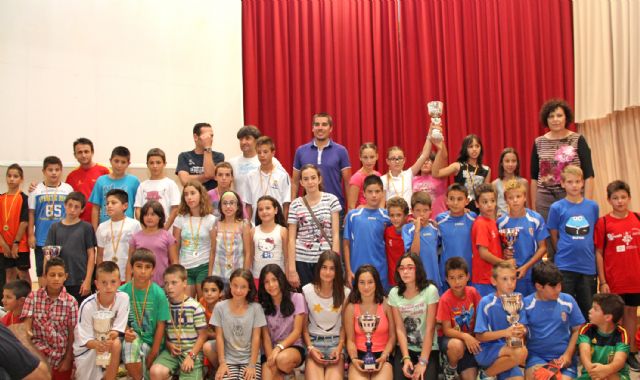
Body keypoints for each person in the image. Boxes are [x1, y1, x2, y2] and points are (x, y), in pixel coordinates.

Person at [594, 180, 640, 371]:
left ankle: (629, 352)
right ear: (609, 200)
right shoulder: (603, 222)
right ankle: (614, 354)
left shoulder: (637, 218)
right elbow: (599, 253)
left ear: (629, 198)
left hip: (635, 278)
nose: (620, 201)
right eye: (615, 198)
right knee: (614, 317)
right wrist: (603, 281)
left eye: (623, 197)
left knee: (631, 314)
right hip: (614, 281)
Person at [547, 165, 599, 320]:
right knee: (565, 311)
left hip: (587, 267)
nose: (574, 185)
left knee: (588, 310)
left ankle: (586, 343)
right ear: (562, 184)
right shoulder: (556, 207)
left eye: (577, 181)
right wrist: (564, 251)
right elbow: (554, 236)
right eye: (570, 182)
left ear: (583, 183)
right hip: (565, 266)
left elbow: (593, 234)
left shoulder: (592, 206)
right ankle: (568, 344)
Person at [530, 99, 594, 221]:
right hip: (544, 200)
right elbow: (534, 177)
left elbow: (589, 175)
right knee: (548, 238)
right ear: (546, 119)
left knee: (572, 234)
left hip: (572, 196)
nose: (555, 119)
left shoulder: (578, 139)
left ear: (566, 118)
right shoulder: (538, 142)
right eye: (551, 116)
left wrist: (587, 204)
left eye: (559, 115)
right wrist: (534, 206)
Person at [523, 261, 585, 380]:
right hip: (537, 357)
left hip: (563, 358)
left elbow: (578, 330)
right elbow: (522, 334)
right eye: (553, 286)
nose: (558, 289)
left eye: (559, 285)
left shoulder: (568, 300)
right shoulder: (525, 304)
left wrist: (568, 355)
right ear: (538, 286)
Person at [21, 257, 78, 380]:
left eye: (60, 275)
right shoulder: (33, 297)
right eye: (52, 275)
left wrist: (68, 359)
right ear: (45, 276)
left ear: (65, 276)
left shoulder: (71, 302)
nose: (56, 278)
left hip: (60, 358)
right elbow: (27, 325)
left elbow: (73, 334)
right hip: (37, 357)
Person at [150, 264, 208, 380]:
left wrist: (191, 356)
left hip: (191, 352)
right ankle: (174, 372)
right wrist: (168, 344)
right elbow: (162, 331)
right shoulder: (164, 305)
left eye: (174, 283)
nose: (169, 287)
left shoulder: (195, 307)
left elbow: (203, 335)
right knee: (155, 372)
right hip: (171, 352)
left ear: (184, 283)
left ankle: (199, 370)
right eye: (166, 283)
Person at [119, 249, 171, 380]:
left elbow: (161, 326)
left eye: (147, 267)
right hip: (129, 339)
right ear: (131, 268)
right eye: (138, 266)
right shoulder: (122, 292)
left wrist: (153, 353)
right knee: (130, 343)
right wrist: (125, 331)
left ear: (153, 270)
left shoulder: (159, 294)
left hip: (151, 343)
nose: (143, 271)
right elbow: (117, 319)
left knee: (138, 355)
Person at [287, 164, 341, 288]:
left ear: (319, 179)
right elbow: (291, 239)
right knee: (305, 299)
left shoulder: (331, 200)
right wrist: (291, 269)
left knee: (326, 296)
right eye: (305, 179)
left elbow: (336, 234)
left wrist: (335, 261)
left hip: (325, 260)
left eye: (313, 178)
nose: (310, 182)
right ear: (301, 182)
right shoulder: (295, 205)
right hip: (302, 260)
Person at [73, 261, 129, 380]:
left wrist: (106, 341)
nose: (108, 287)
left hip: (108, 343)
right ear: (96, 284)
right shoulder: (87, 305)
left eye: (113, 282)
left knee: (116, 343)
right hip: (87, 350)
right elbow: (85, 339)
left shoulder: (123, 298)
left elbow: (117, 330)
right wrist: (98, 344)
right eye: (104, 282)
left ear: (119, 282)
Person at [474, 261, 528, 380]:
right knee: (520, 352)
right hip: (487, 350)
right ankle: (485, 375)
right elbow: (479, 336)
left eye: (513, 279)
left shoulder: (519, 298)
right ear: (494, 281)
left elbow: (523, 326)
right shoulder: (486, 303)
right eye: (504, 279)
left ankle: (496, 372)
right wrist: (506, 332)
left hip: (509, 352)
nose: (510, 283)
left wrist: (521, 330)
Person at [389, 253, 440, 380]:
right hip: (406, 348)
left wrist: (422, 362)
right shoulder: (394, 293)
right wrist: (406, 358)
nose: (405, 271)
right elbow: (399, 328)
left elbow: (430, 328)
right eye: (402, 268)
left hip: (428, 348)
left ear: (418, 269)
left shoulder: (430, 290)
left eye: (410, 267)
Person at [302, 250, 350, 380]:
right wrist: (310, 348)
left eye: (332, 269)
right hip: (314, 342)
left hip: (336, 344)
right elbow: (304, 328)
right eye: (324, 267)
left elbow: (345, 326)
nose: (327, 272)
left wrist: (340, 348)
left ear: (337, 271)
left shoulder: (346, 293)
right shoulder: (306, 291)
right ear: (318, 269)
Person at [212, 269, 266, 380]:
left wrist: (252, 365)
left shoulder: (256, 308)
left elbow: (256, 338)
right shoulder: (219, 307)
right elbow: (219, 336)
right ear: (230, 285)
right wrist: (222, 363)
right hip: (228, 359)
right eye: (235, 285)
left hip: (250, 359)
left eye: (243, 287)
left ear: (249, 288)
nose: (238, 290)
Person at [28, 156, 74, 286]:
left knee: (61, 270)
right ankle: (43, 297)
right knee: (43, 271)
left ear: (61, 171)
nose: (54, 172)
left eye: (57, 169)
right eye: (50, 170)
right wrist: (31, 235)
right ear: (44, 171)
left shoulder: (68, 189)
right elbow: (31, 213)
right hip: (42, 238)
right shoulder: (36, 190)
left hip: (63, 237)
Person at [497, 180, 548, 296]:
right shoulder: (501, 222)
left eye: (518, 196)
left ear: (525, 197)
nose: (515, 200)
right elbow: (498, 248)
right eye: (511, 198)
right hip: (511, 275)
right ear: (505, 200)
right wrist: (504, 254)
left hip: (533, 273)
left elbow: (543, 248)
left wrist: (526, 267)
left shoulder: (536, 219)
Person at [344, 265, 395, 380]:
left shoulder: (386, 304)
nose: (366, 287)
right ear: (356, 284)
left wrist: (384, 356)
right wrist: (354, 359)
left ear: (376, 283)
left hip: (383, 355)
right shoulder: (351, 308)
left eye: (370, 282)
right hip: (359, 356)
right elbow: (350, 340)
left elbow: (392, 336)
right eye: (362, 282)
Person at [291, 113, 351, 210]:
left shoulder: (341, 151)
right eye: (317, 124)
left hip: (335, 208)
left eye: (324, 124)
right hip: (307, 209)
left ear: (330, 128)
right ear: (312, 128)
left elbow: (348, 182)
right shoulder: (300, 151)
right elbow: (295, 182)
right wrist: (292, 208)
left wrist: (350, 208)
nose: (320, 128)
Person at [45, 192, 96, 303]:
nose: (72, 209)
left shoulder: (86, 227)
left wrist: (88, 280)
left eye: (76, 207)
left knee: (80, 314)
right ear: (65, 205)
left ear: (82, 210)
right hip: (60, 280)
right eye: (70, 205)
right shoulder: (54, 228)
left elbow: (91, 254)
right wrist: (47, 278)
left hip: (80, 280)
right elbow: (48, 255)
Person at [259, 264, 306, 379]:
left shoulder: (297, 298)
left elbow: (297, 331)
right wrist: (271, 358)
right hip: (270, 350)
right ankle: (287, 374)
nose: (271, 285)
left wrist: (279, 348)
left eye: (274, 280)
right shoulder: (262, 306)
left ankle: (288, 370)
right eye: (266, 282)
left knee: (282, 360)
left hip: (292, 347)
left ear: (281, 279)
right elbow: (266, 337)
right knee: (270, 374)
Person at [436, 257, 481, 380]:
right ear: (447, 279)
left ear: (468, 276)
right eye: (452, 278)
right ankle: (450, 366)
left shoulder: (473, 292)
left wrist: (475, 336)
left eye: (460, 277)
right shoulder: (445, 299)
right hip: (452, 340)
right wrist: (466, 337)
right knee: (457, 346)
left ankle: (480, 369)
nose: (457, 282)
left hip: (470, 340)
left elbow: (481, 317)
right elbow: (447, 330)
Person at [344, 175, 390, 287]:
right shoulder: (353, 215)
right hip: (357, 271)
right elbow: (346, 244)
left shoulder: (388, 216)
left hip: (381, 271)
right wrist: (348, 270)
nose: (374, 195)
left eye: (377, 191)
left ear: (382, 193)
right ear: (364, 193)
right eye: (370, 192)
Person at [174, 181, 216, 298]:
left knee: (204, 305)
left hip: (204, 266)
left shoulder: (211, 219)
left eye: (193, 193)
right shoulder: (180, 219)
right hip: (185, 267)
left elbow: (214, 249)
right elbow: (175, 247)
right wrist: (177, 268)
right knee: (187, 307)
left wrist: (210, 273)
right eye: (186, 194)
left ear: (201, 195)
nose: (189, 197)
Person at [432, 133, 491, 214]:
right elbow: (436, 173)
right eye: (470, 146)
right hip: (459, 210)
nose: (474, 149)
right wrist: (439, 151)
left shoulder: (486, 170)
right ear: (465, 149)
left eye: (477, 146)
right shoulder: (458, 166)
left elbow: (486, 194)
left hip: (478, 212)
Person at [577, 293, 629, 380]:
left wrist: (606, 370)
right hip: (591, 373)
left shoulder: (622, 334)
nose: (590, 311)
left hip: (615, 375)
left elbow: (619, 361)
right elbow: (584, 353)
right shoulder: (586, 329)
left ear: (608, 317)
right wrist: (593, 371)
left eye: (595, 309)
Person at [228, 125, 282, 205]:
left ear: (256, 141)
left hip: (264, 210)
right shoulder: (232, 163)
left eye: (247, 138)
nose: (243, 142)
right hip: (240, 210)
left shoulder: (271, 160)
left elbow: (284, 182)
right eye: (241, 139)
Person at [89, 146, 140, 229]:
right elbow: (95, 208)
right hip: (106, 227)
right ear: (110, 161)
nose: (119, 165)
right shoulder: (101, 181)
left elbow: (138, 207)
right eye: (116, 161)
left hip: (127, 227)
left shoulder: (134, 181)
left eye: (123, 162)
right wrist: (94, 230)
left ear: (128, 164)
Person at [436, 183, 476, 289]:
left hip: (468, 271)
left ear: (466, 201)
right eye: (452, 199)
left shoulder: (473, 218)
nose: (455, 203)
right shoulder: (440, 220)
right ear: (446, 200)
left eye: (459, 199)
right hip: (447, 273)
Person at [128, 200, 178, 286]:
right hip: (140, 284)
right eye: (146, 214)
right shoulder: (135, 237)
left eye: (153, 214)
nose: (149, 217)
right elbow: (129, 262)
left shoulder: (167, 236)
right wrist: (128, 283)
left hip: (162, 284)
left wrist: (173, 282)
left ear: (160, 217)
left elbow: (174, 261)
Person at [96, 189, 141, 283]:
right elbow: (100, 255)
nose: (109, 206)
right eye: (107, 203)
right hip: (107, 276)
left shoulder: (134, 225)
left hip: (126, 275)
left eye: (113, 203)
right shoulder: (102, 227)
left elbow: (138, 253)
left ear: (125, 206)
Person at [381, 129, 433, 206]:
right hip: (392, 216)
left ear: (404, 160)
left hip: (409, 215)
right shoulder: (382, 179)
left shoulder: (409, 174)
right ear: (387, 161)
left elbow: (425, 155)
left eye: (399, 158)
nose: (397, 161)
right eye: (393, 159)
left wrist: (430, 134)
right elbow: (381, 205)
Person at [245, 136, 291, 222]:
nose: (262, 155)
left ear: (273, 153)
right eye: (259, 152)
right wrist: (248, 224)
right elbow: (248, 204)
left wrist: (284, 224)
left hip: (277, 224)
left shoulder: (282, 176)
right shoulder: (250, 176)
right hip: (256, 224)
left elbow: (286, 204)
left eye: (265, 152)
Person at [402, 191, 442, 291]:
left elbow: (438, 251)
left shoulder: (435, 228)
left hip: (434, 277)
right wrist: (417, 230)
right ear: (412, 211)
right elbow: (414, 254)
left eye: (425, 210)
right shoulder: (407, 229)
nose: (422, 214)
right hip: (417, 279)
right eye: (418, 210)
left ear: (431, 211)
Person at [65, 137, 110, 223]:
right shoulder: (71, 176)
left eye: (86, 152)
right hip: (79, 224)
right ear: (75, 155)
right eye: (79, 152)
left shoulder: (105, 171)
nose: (83, 155)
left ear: (92, 152)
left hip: (102, 222)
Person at [471, 184, 505, 296]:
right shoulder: (481, 223)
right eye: (485, 202)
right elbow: (483, 253)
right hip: (483, 279)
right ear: (477, 204)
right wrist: (504, 263)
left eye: (492, 201)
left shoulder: (492, 222)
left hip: (491, 277)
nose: (489, 205)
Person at [210, 191, 250, 285]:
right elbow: (212, 251)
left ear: (238, 206)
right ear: (220, 206)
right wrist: (210, 276)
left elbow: (247, 253)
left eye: (232, 203)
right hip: (218, 274)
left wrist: (244, 276)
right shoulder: (216, 224)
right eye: (225, 203)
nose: (228, 206)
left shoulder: (244, 225)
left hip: (237, 275)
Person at [134, 148, 181, 229]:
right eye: (151, 163)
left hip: (165, 231)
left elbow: (175, 210)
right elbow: (138, 209)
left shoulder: (171, 184)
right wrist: (145, 228)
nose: (155, 166)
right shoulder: (142, 185)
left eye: (158, 162)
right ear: (147, 164)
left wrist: (164, 229)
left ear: (164, 164)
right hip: (147, 232)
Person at [248, 196, 288, 288]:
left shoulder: (283, 231)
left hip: (278, 277)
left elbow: (287, 258)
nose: (264, 212)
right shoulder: (253, 231)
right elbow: (250, 256)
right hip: (257, 276)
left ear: (276, 210)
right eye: (260, 209)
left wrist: (288, 275)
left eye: (268, 208)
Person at [0, 164, 30, 284]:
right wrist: (3, 244)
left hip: (20, 245)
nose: (12, 179)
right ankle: (9, 301)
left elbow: (24, 222)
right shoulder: (1, 198)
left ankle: (28, 301)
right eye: (9, 176)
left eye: (15, 176)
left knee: (22, 274)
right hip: (4, 245)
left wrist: (16, 243)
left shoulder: (24, 198)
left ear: (21, 179)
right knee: (9, 274)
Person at [176, 122, 225, 190]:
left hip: (211, 198)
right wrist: (206, 176)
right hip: (192, 198)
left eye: (211, 136)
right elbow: (185, 181)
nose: (210, 139)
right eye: (206, 136)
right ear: (196, 137)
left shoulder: (219, 156)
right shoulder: (184, 156)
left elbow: (209, 174)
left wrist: (207, 147)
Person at [492, 148, 528, 217]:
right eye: (507, 161)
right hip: (502, 221)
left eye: (513, 161)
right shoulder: (495, 184)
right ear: (502, 163)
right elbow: (494, 208)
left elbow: (526, 206)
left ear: (517, 163)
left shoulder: (524, 182)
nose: (510, 164)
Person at [347, 143, 382, 211]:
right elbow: (351, 206)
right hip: (362, 216)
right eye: (365, 157)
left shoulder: (378, 175)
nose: (369, 161)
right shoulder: (357, 178)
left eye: (372, 157)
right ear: (360, 157)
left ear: (377, 156)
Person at [412, 151, 448, 216]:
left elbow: (444, 157)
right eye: (423, 160)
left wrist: (440, 148)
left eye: (428, 160)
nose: (425, 162)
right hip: (420, 219)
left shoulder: (440, 177)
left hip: (439, 219)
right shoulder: (412, 179)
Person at [201, 275, 224, 372]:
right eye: (206, 291)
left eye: (213, 290)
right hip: (208, 337)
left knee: (207, 346)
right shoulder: (201, 303)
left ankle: (221, 370)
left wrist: (207, 333)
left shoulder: (224, 307)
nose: (209, 294)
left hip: (224, 342)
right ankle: (215, 370)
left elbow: (224, 335)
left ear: (220, 293)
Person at [385, 197, 409, 288]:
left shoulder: (412, 231)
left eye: (399, 215)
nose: (395, 218)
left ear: (406, 216)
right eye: (392, 215)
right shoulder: (387, 231)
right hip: (392, 281)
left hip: (409, 279)